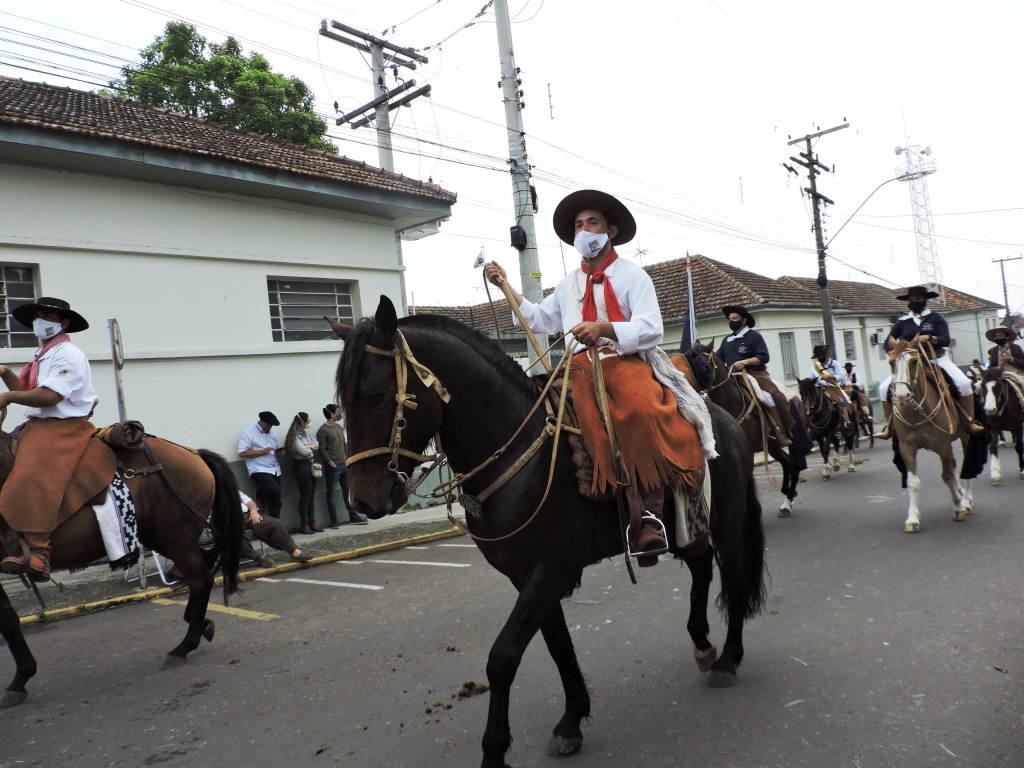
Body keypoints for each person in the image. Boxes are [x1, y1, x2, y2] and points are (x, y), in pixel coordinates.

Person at [484, 189, 716, 565]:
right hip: (576, 368)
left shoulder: (632, 276)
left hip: (623, 361)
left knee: (639, 412)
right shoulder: (568, 284)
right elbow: (541, 319)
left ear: (611, 229)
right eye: (578, 225)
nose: (584, 230)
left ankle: (650, 518)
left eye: (592, 222)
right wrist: (506, 286)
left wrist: (605, 328)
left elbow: (651, 327)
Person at [0, 297, 99, 578]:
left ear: (63, 323)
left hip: (62, 427)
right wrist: (7, 374)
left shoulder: (67, 353)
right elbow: (30, 391)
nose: (41, 321)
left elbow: (50, 395)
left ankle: (39, 552)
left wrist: (7, 396)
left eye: (48, 316)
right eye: (38, 315)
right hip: (40, 424)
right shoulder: (43, 354)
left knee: (32, 473)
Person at [877, 285, 985, 439]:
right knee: (883, 388)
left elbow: (945, 340)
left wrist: (929, 338)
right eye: (912, 300)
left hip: (937, 359)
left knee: (963, 383)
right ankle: (889, 426)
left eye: (918, 299)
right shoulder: (902, 321)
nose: (915, 302)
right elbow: (889, 341)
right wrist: (892, 352)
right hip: (911, 361)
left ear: (925, 300)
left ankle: (969, 421)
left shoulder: (936, 318)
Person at [715, 305, 796, 446]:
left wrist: (745, 362)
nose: (731, 321)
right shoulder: (727, 340)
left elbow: (764, 356)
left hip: (755, 373)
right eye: (730, 319)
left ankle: (782, 431)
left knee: (772, 395)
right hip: (732, 376)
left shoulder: (754, 336)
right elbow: (718, 358)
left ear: (744, 320)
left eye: (735, 318)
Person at [317, 404, 367, 527]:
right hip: (332, 467)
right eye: (337, 411)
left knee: (348, 492)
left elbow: (344, 443)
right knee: (332, 493)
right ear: (331, 414)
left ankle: (353, 516)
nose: (339, 413)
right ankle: (334, 521)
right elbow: (321, 449)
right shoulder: (322, 431)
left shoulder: (339, 427)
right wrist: (330, 462)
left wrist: (347, 457)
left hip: (344, 465)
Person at [239, 491, 311, 565]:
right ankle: (257, 557)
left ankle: (294, 552)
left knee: (273, 523)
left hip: (247, 516)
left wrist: (253, 510)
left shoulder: (232, 488)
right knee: (234, 533)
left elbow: (249, 502)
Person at [238, 411, 284, 518]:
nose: (269, 428)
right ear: (261, 421)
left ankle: (275, 523)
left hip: (274, 468)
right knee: (275, 490)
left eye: (271, 426)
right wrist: (262, 451)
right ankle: (260, 495)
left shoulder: (272, 433)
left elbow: (275, 449)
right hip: (259, 469)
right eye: (268, 425)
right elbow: (242, 452)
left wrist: (279, 453)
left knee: (276, 496)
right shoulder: (249, 432)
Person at [286, 412, 321, 534]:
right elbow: (303, 452)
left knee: (311, 496)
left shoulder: (306, 433)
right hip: (301, 466)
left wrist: (309, 445)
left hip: (310, 464)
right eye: (308, 421)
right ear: (302, 422)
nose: (309, 423)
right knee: (305, 496)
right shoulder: (294, 436)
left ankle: (312, 522)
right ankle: (304, 524)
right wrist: (310, 447)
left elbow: (317, 443)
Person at [808, 345, 852, 427]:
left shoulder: (835, 364)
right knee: (810, 403)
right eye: (817, 357)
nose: (819, 358)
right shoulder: (814, 368)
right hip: (820, 389)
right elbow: (811, 380)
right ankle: (810, 424)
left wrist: (830, 376)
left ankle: (846, 421)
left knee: (842, 400)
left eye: (820, 356)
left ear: (825, 355)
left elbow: (842, 377)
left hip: (833, 388)